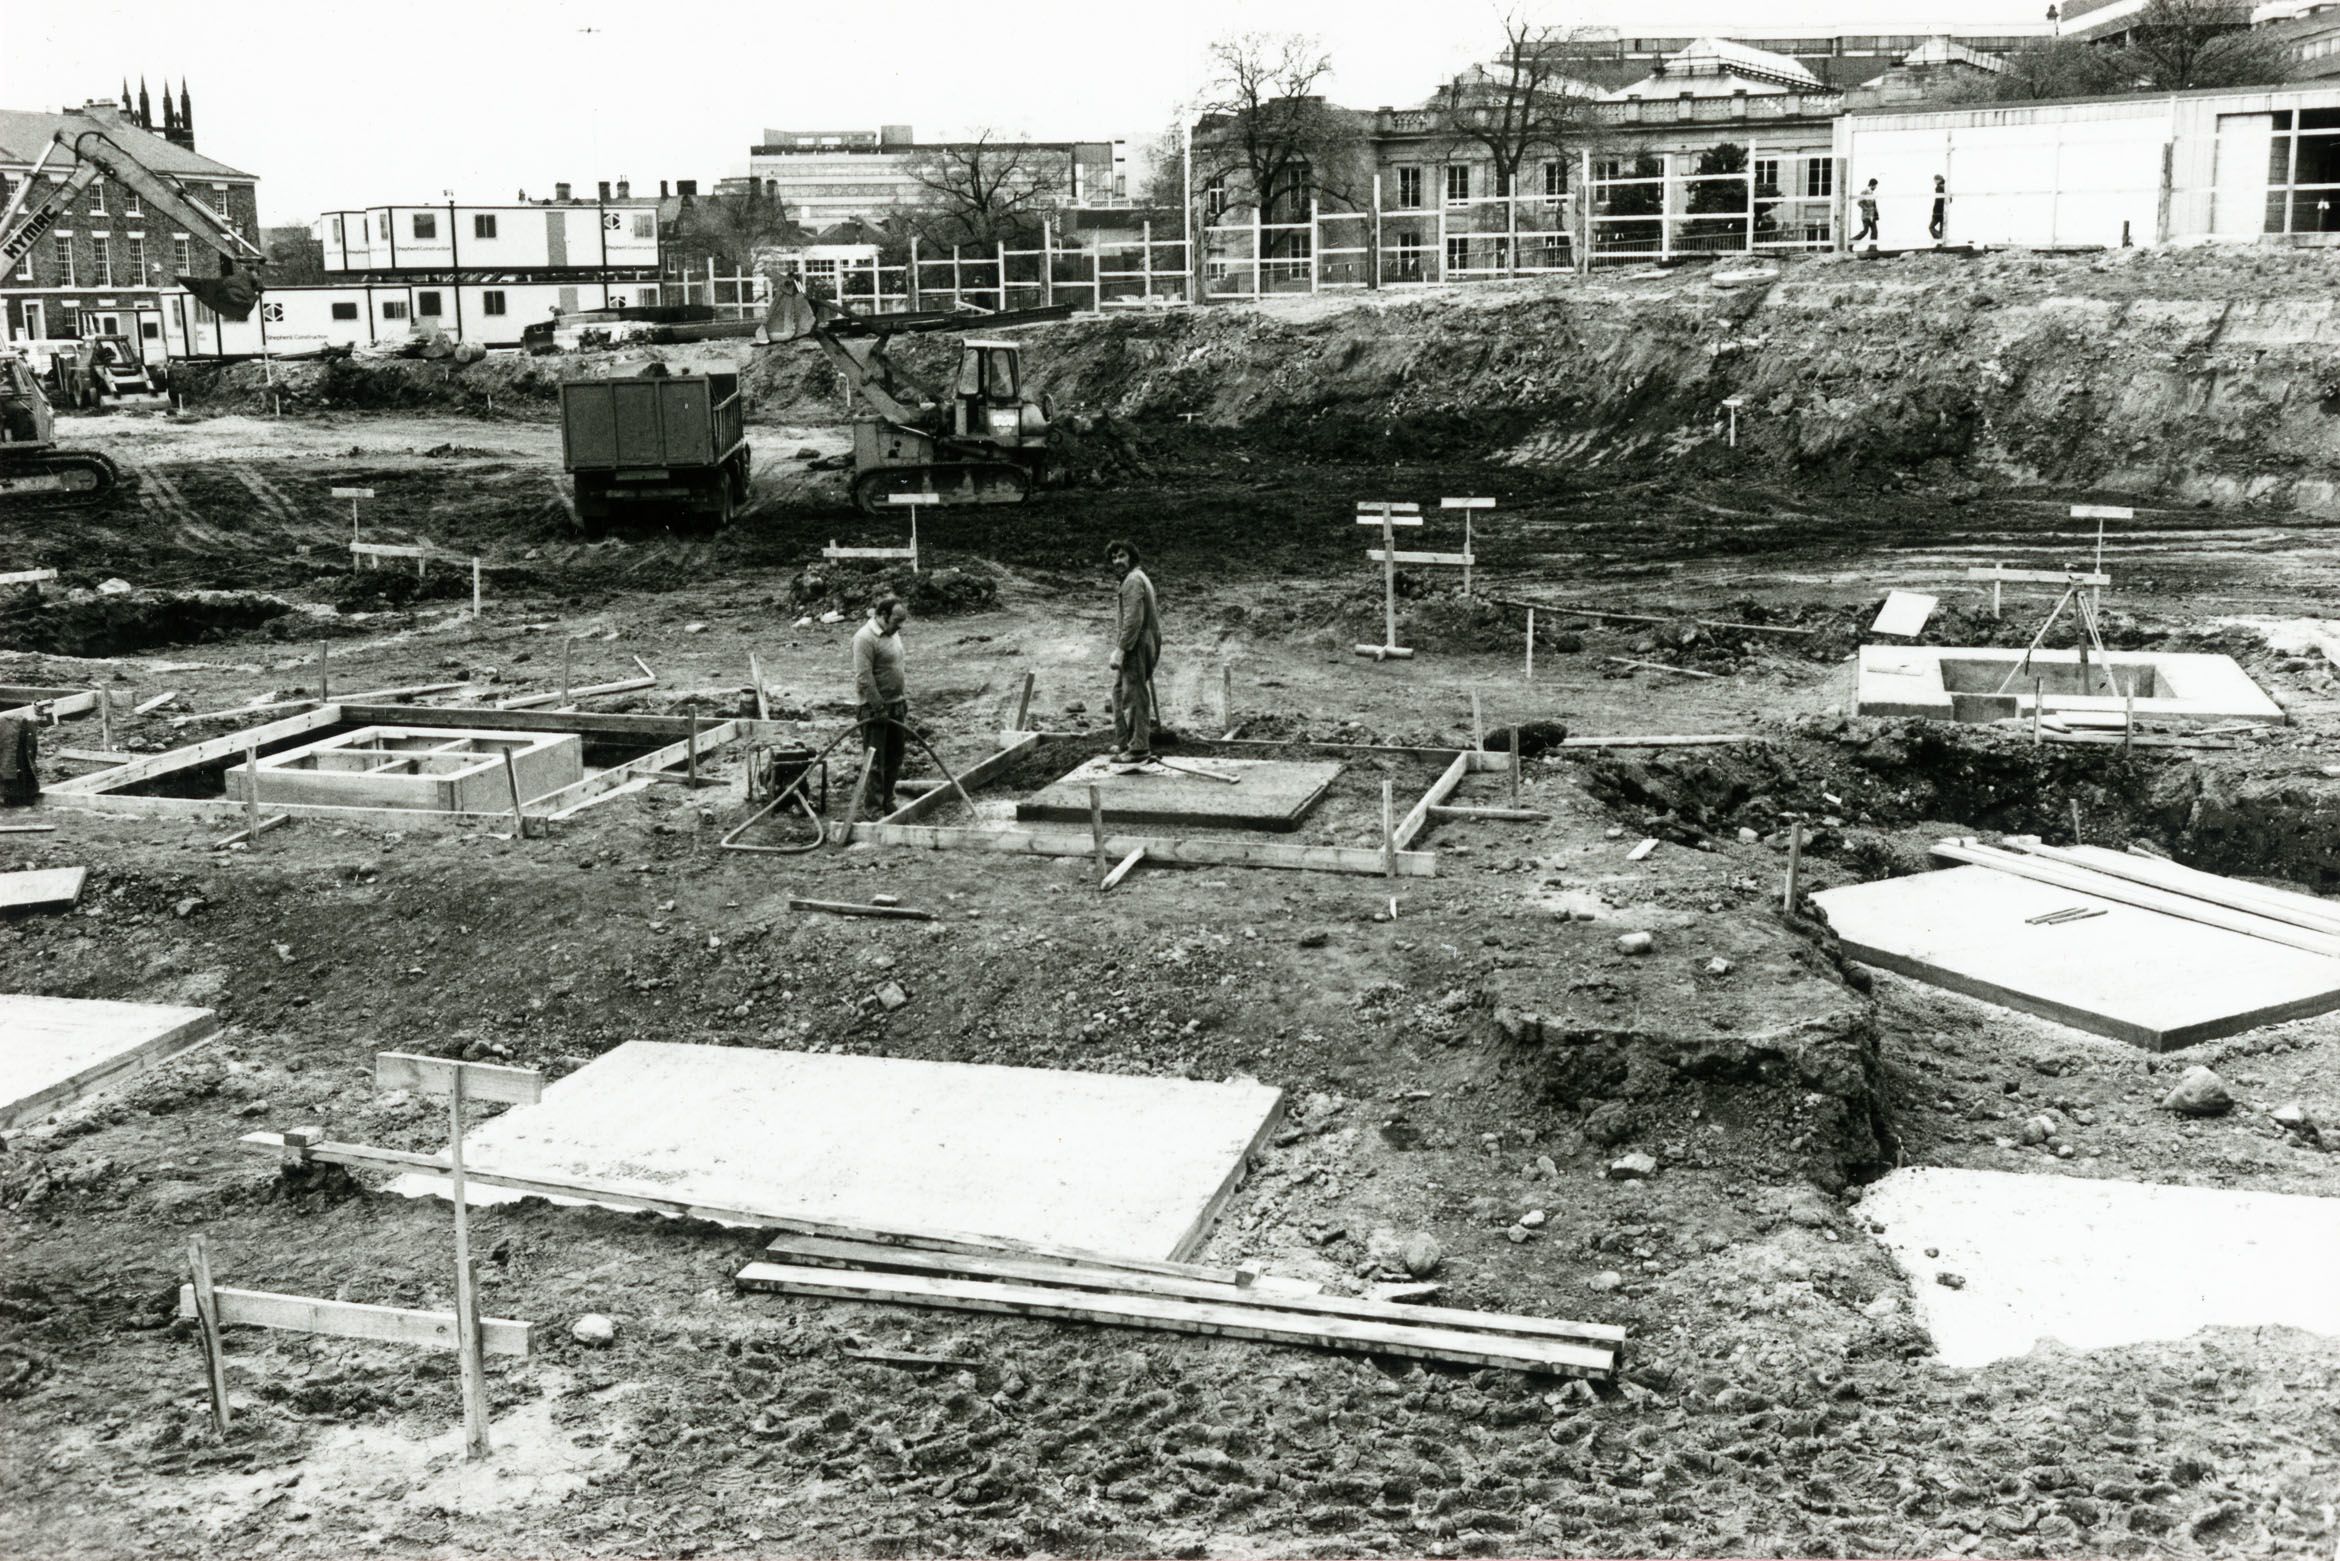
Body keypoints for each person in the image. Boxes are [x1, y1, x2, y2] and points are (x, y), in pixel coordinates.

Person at [852, 595, 910, 814]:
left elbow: (895, 667)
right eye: (897, 621)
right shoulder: (864, 638)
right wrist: (878, 707)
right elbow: (864, 677)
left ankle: (888, 800)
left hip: (896, 704)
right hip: (874, 708)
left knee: (895, 756)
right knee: (875, 761)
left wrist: (901, 700)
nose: (900, 626)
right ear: (883, 616)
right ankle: (873, 808)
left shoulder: (893, 633)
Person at [1106, 540, 1160, 763]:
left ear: (1132, 557)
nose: (1117, 561)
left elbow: (1133, 620)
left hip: (1136, 643)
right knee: (1120, 690)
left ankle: (1138, 748)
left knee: (1135, 693)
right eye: (1114, 558)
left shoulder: (1133, 581)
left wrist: (1121, 649)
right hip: (1139, 641)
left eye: (1121, 556)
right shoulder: (1135, 578)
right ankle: (1124, 741)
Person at [1855, 180, 1881, 245]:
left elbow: (1873, 205)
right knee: (1865, 231)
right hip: (1866, 216)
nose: (1875, 187)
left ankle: (1872, 248)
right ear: (1872, 185)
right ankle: (1851, 242)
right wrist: (1866, 209)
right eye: (1875, 186)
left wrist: (1876, 214)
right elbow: (1859, 202)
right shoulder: (1864, 192)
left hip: (1872, 216)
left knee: (1874, 232)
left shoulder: (1871, 193)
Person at [1929, 174, 1949, 243]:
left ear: (1938, 180)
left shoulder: (1938, 188)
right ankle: (1942, 243)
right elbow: (1950, 200)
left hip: (1937, 211)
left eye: (1935, 180)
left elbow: (1938, 201)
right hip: (1944, 211)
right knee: (1942, 230)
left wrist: (1935, 211)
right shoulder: (1946, 187)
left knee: (1931, 227)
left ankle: (1940, 240)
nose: (1934, 182)